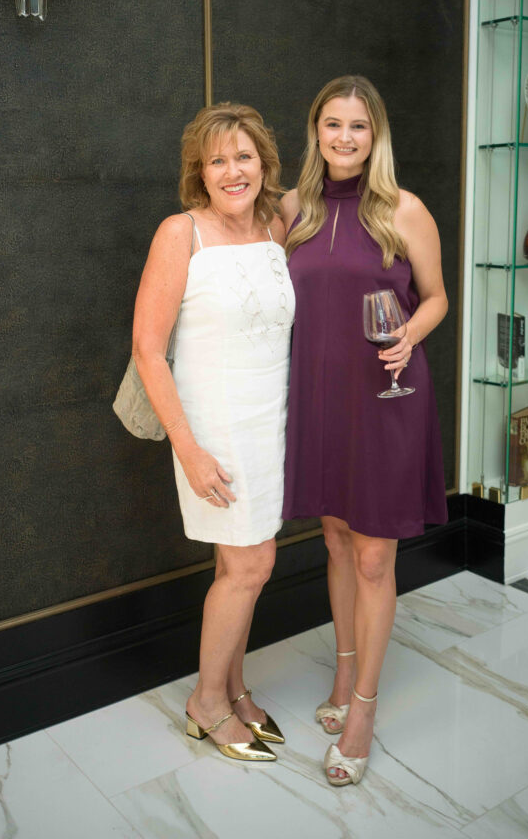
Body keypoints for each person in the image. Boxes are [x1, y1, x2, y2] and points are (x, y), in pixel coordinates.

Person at [280, 75, 448, 786]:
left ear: (375, 136)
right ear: (315, 131)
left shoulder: (405, 210)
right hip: (321, 401)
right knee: (336, 539)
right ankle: (343, 677)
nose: (345, 137)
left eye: (358, 126)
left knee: (376, 556)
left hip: (386, 396)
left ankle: (365, 711)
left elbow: (437, 297)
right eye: (332, 124)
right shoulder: (292, 210)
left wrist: (408, 333)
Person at [132, 102, 295, 762]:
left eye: (244, 156)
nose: (234, 171)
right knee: (254, 562)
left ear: (263, 163)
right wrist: (189, 449)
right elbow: (147, 348)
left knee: (241, 562)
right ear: (200, 172)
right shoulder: (181, 233)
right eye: (218, 159)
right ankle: (206, 702)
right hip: (213, 425)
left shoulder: (279, 224)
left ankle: (234, 687)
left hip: (271, 415)